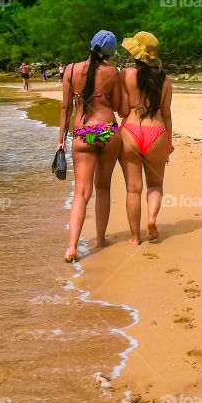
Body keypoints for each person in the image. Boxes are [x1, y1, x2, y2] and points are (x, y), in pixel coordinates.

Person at [59, 30, 124, 263]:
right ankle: (101, 239)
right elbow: (117, 106)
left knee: (81, 192)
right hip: (107, 131)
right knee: (103, 188)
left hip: (82, 132)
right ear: (110, 52)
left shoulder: (70, 70)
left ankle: (71, 247)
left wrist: (60, 141)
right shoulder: (112, 72)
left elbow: (66, 108)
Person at [119, 31, 173, 246]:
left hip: (131, 129)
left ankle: (134, 238)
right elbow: (166, 114)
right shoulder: (165, 79)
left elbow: (123, 109)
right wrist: (169, 142)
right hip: (156, 131)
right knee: (155, 185)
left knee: (133, 189)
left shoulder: (125, 74)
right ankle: (151, 219)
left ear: (136, 54)